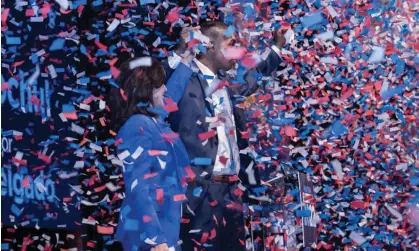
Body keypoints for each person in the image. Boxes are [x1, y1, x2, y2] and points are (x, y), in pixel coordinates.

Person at [167, 21, 286, 250]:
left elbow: (255, 76)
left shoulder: (227, 84)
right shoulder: (184, 81)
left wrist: (277, 47)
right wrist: (182, 49)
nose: (236, 51)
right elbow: (163, 85)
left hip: (231, 192)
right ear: (210, 46)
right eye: (230, 44)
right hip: (201, 193)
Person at [110, 57, 193, 251]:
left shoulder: (156, 122)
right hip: (148, 237)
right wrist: (155, 239)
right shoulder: (137, 126)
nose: (165, 89)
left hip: (168, 232)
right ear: (147, 92)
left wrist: (188, 60)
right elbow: (137, 187)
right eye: (159, 86)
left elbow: (171, 95)